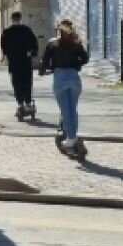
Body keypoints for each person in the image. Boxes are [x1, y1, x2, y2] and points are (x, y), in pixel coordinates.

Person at [40, 19, 89, 150]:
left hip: (60, 77)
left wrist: (42, 71)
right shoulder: (76, 43)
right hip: (74, 77)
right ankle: (72, 135)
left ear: (59, 30)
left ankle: (71, 138)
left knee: (65, 110)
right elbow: (85, 58)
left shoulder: (52, 43)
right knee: (73, 109)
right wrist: (76, 65)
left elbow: (44, 60)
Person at [0, 11, 39, 117]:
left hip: (14, 61)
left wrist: (6, 56)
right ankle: (27, 101)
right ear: (20, 18)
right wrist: (33, 53)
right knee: (27, 81)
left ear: (11, 19)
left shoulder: (7, 32)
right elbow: (34, 42)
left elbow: (3, 46)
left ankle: (20, 103)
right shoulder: (26, 30)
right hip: (25, 60)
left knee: (16, 82)